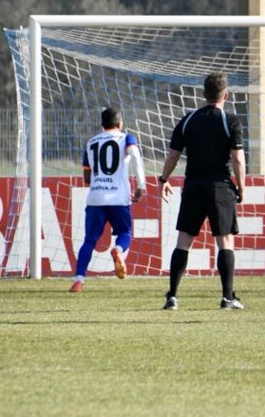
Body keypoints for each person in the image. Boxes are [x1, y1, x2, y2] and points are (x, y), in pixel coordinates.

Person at [158, 72, 247, 310]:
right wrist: (241, 186)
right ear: (225, 95)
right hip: (219, 186)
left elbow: (174, 154)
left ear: (203, 94)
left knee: (184, 240)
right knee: (224, 241)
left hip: (193, 186)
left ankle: (172, 296)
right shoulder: (230, 121)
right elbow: (237, 158)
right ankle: (228, 297)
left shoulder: (188, 119)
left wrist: (163, 178)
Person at [69, 108, 147, 292]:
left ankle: (79, 280)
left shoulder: (91, 143)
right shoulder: (126, 138)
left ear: (101, 125)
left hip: (96, 197)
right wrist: (141, 185)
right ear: (119, 124)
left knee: (89, 240)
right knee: (125, 232)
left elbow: (87, 178)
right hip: (118, 198)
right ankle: (118, 251)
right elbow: (135, 155)